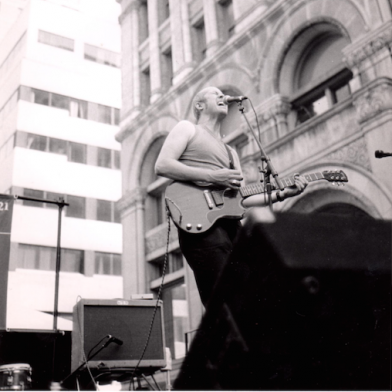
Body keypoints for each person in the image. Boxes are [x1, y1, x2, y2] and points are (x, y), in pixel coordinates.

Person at [155, 86, 308, 306]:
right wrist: (213, 176)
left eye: (222, 94)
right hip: (201, 225)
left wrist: (282, 193)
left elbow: (242, 199)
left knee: (252, 295)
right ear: (199, 105)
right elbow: (162, 165)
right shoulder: (187, 128)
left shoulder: (230, 153)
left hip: (231, 228)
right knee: (224, 301)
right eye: (214, 93)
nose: (221, 96)